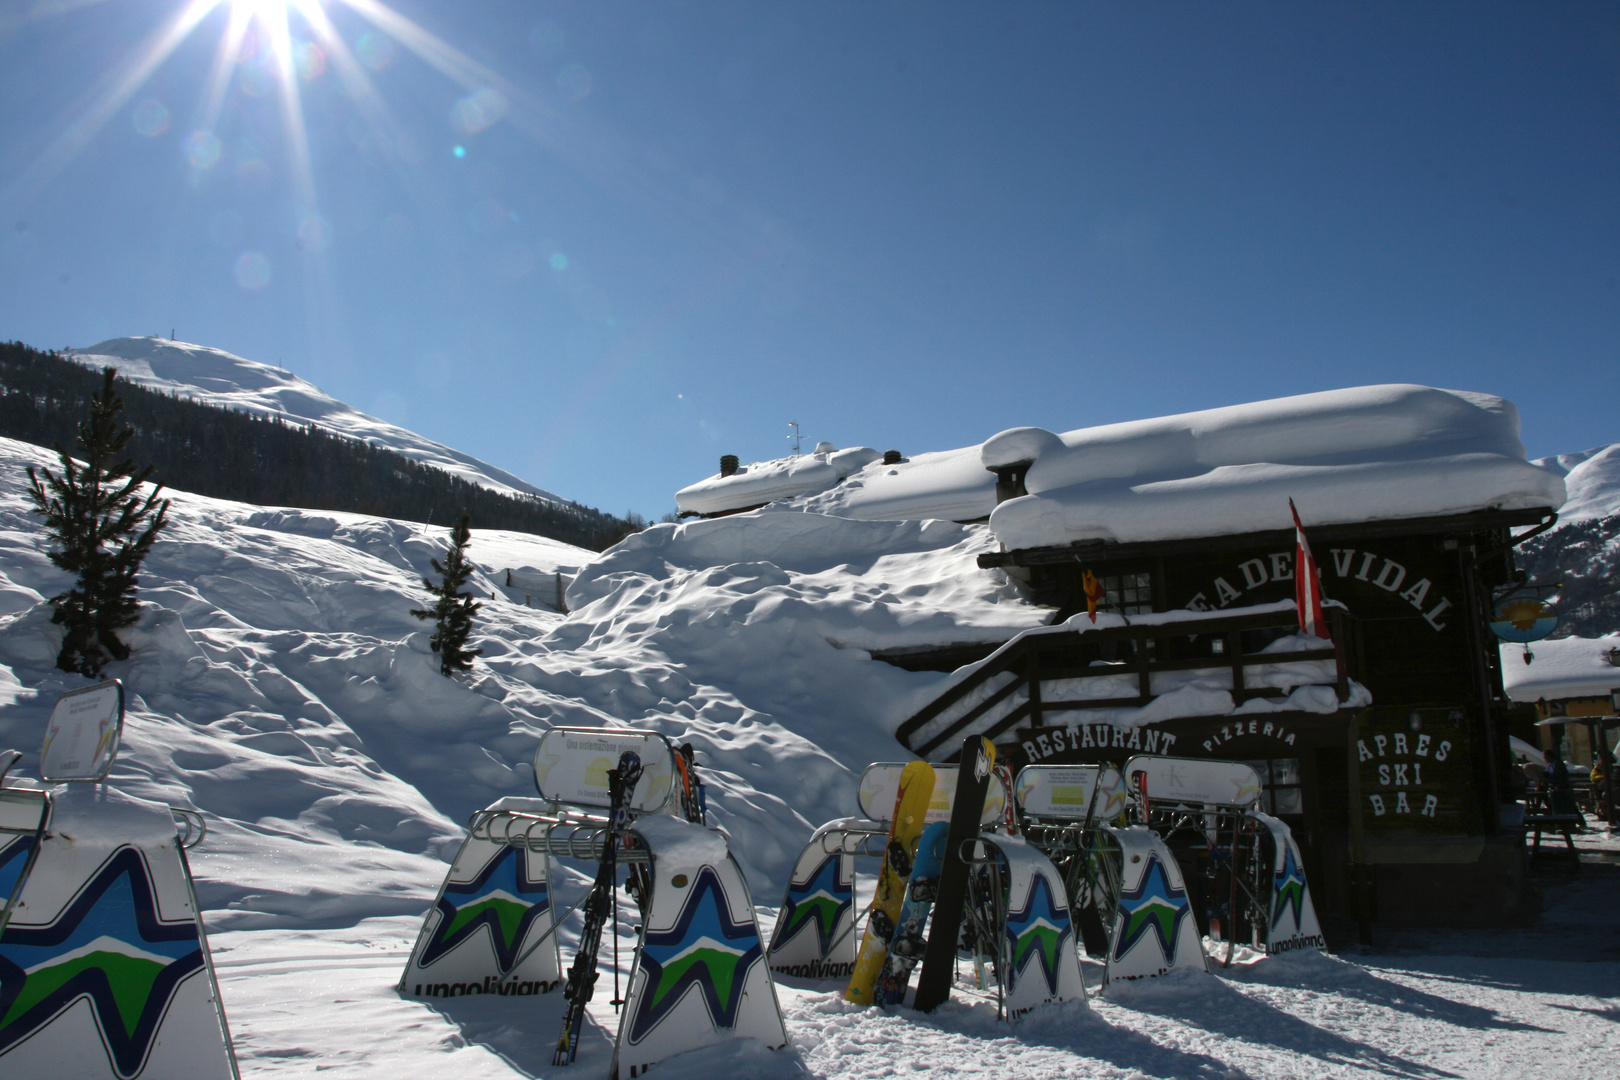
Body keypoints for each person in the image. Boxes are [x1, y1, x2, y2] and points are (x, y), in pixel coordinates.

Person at [1547, 749, 1578, 816]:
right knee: (1567, 804)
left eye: (1545, 757)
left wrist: (1556, 782)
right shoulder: (1551, 763)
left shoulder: (1555, 763)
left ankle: (1578, 820)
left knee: (1568, 804)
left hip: (1561, 786)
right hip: (1556, 786)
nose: (1545, 759)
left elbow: (1556, 774)